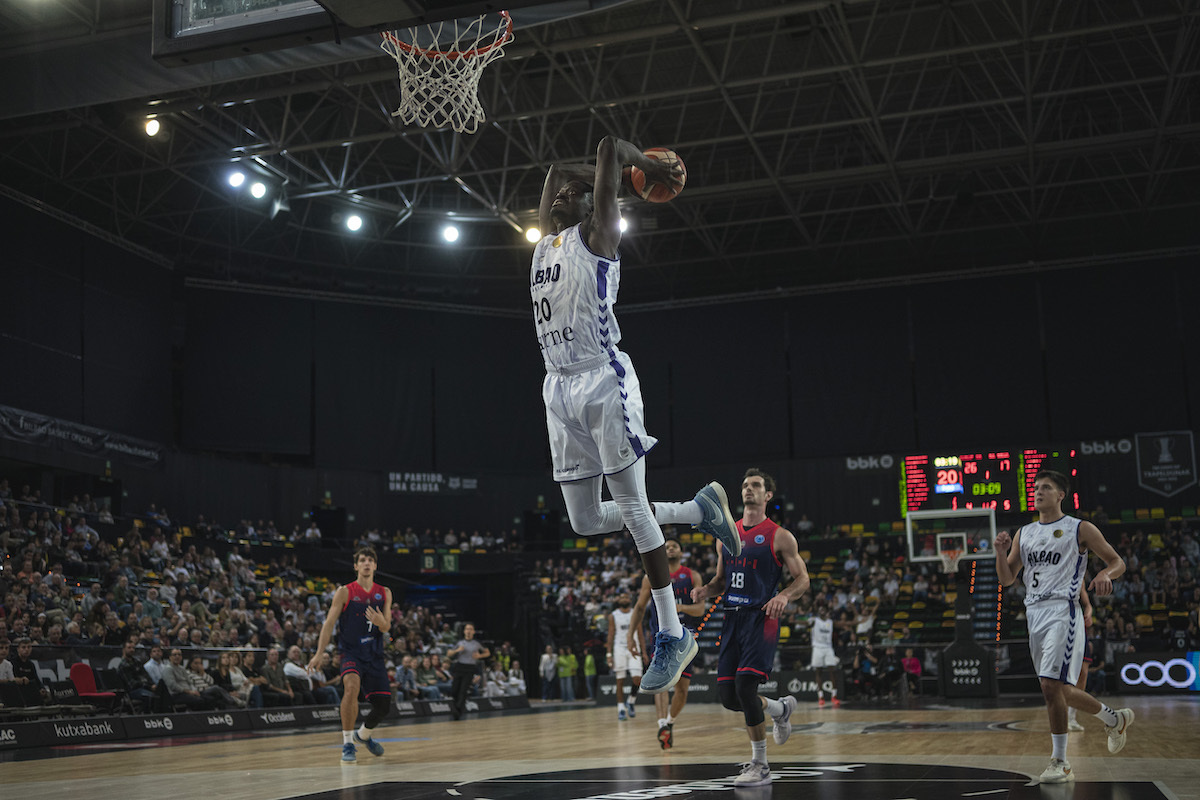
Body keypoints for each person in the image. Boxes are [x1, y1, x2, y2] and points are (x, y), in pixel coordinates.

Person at [531, 135, 743, 694]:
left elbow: (605, 146)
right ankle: (698, 512)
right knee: (583, 519)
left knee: (627, 503)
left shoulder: (599, 237)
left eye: (577, 194)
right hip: (558, 389)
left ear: (594, 207)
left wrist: (639, 167)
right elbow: (556, 167)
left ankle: (674, 634)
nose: (561, 196)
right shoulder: (545, 244)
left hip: (603, 380)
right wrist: (598, 175)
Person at [994, 469, 1134, 784]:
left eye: (1045, 487)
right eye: (1035, 487)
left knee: (1049, 686)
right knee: (1059, 689)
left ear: (1061, 495)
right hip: (1034, 613)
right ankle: (1115, 719)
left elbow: (1117, 561)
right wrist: (1001, 554)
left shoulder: (1079, 528)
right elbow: (1006, 579)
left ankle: (1061, 762)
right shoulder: (1024, 533)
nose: (1038, 491)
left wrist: (1104, 575)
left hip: (1063, 610)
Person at [691, 468, 811, 786]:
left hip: (761, 617)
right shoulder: (726, 536)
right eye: (745, 485)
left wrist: (784, 595)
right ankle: (780, 709)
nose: (748, 489)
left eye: (755, 485)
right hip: (731, 618)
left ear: (767, 495)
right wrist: (706, 590)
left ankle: (761, 765)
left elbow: (803, 579)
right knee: (730, 698)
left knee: (746, 688)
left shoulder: (780, 535)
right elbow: (720, 581)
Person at [308, 546, 393, 763]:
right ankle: (347, 743)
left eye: (370, 560)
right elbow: (328, 624)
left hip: (374, 654)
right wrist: (319, 653)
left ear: (375, 565)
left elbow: (386, 627)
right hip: (350, 652)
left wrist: (379, 621)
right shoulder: (345, 591)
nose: (366, 563)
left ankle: (363, 735)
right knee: (351, 687)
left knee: (383, 706)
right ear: (356, 566)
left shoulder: (385, 592)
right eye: (362, 560)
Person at [629, 532, 704, 749]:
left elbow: (700, 609)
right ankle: (662, 723)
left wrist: (679, 608)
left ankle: (670, 723)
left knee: (682, 690)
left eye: (674, 546)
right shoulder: (649, 576)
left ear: (682, 552)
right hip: (660, 640)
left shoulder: (692, 576)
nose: (670, 548)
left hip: (685, 638)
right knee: (661, 684)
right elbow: (640, 607)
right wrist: (630, 635)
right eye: (667, 546)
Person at [606, 592, 643, 720]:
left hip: (634, 647)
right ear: (618, 600)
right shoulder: (613, 615)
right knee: (620, 680)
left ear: (630, 599)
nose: (624, 599)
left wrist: (643, 651)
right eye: (622, 597)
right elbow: (610, 635)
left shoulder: (635, 613)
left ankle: (631, 701)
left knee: (637, 679)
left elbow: (640, 634)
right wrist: (609, 654)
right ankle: (621, 708)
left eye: (626, 597)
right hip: (619, 648)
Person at [447, 623, 490, 720]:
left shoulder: (477, 643)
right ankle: (456, 707)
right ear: (464, 631)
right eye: (467, 629)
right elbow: (448, 653)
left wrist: (480, 656)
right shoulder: (459, 642)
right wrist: (457, 650)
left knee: (463, 690)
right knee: (454, 689)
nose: (468, 631)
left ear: (473, 632)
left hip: (470, 668)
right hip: (459, 667)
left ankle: (458, 711)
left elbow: (487, 652)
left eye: (471, 629)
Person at [1068, 585, 1093, 732]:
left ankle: (1072, 716)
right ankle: (1062, 715)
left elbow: (1087, 604)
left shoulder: (1079, 576)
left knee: (1083, 672)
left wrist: (1088, 614)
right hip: (1061, 624)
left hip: (1079, 627)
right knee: (1065, 675)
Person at [809, 605, 840, 707]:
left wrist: (858, 622)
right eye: (820, 609)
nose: (821, 611)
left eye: (823, 609)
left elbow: (843, 623)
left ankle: (834, 696)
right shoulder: (815, 620)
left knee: (833, 671)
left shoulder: (830, 622)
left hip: (828, 648)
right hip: (817, 648)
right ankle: (821, 697)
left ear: (826, 611)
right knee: (818, 672)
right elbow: (804, 622)